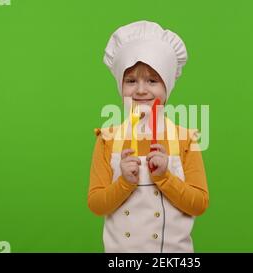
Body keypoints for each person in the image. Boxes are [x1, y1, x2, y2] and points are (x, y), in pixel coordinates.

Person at [88, 20, 209, 253]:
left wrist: (165, 177)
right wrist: (124, 182)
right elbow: (96, 204)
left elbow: (199, 204)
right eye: (131, 81)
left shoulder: (185, 139)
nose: (141, 90)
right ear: (120, 85)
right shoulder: (107, 139)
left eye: (152, 80)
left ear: (167, 86)